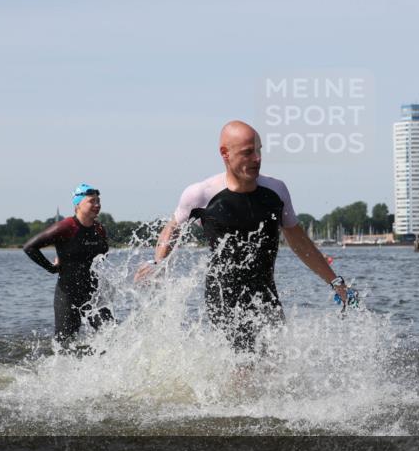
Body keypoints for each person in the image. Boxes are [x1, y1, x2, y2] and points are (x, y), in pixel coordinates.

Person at [137, 120, 348, 353]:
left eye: (259, 151)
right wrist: (158, 263)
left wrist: (335, 281)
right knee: (245, 364)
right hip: (224, 296)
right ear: (225, 154)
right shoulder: (201, 194)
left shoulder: (276, 191)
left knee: (273, 362)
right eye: (248, 153)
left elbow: (298, 240)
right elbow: (172, 228)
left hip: (266, 294)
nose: (257, 159)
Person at [23, 184, 112, 344]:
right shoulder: (66, 227)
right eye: (92, 201)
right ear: (78, 204)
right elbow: (29, 247)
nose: (97, 205)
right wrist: (51, 268)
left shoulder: (99, 229)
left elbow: (102, 256)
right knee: (65, 345)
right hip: (68, 294)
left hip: (94, 293)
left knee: (111, 336)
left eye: (99, 201)